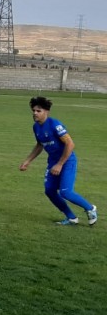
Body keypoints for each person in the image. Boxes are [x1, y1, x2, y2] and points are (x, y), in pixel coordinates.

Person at [19, 96, 98, 226]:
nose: (35, 113)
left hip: (67, 161)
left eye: (38, 111)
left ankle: (90, 208)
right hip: (53, 162)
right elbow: (40, 145)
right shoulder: (36, 127)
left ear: (46, 112)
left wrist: (60, 164)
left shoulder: (55, 124)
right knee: (49, 190)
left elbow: (70, 144)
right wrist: (28, 161)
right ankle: (71, 217)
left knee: (66, 192)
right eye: (33, 110)